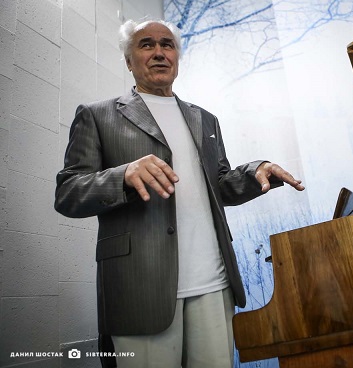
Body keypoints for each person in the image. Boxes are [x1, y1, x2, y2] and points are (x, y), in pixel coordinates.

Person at [54, 19, 304, 368]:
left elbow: (219, 185)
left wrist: (254, 171)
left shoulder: (206, 119)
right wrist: (124, 175)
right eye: (146, 44)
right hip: (140, 289)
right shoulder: (98, 115)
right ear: (128, 60)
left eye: (167, 44)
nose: (159, 52)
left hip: (214, 284)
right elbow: (68, 192)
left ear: (176, 57)